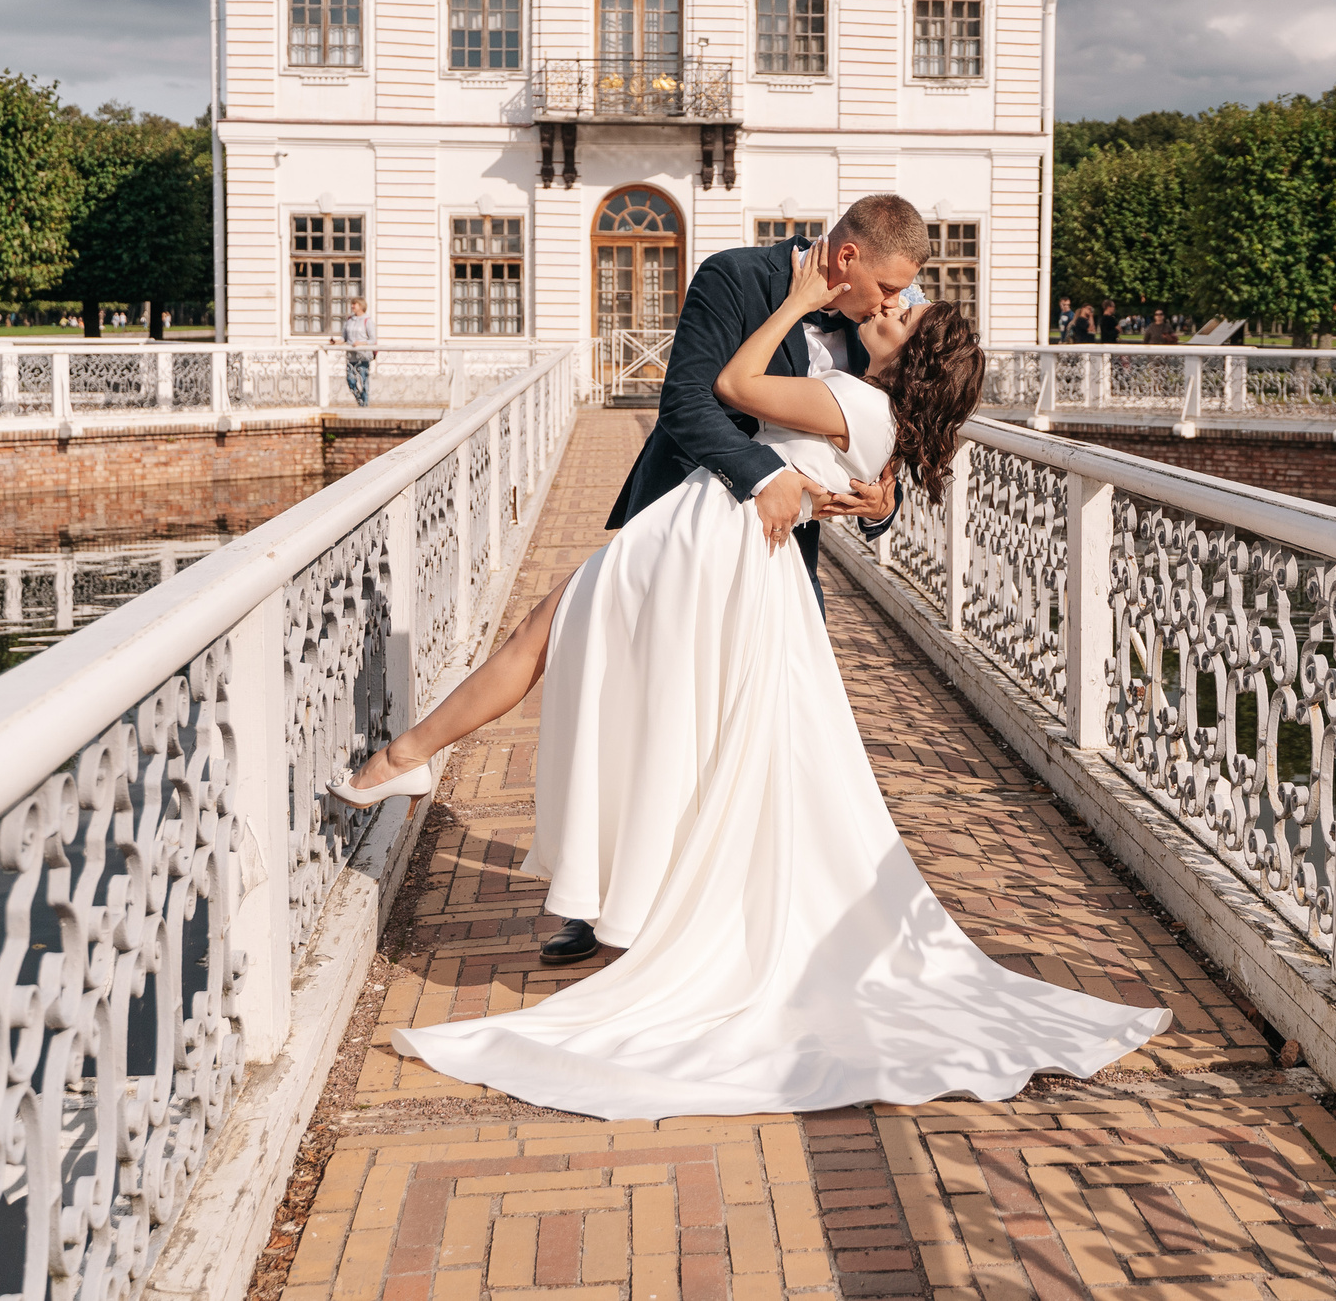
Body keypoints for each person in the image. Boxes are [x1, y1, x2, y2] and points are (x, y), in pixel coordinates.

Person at [329, 236, 1168, 1119]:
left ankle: (423, 770)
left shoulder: (855, 382)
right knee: (652, 706)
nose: (893, 304)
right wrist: (824, 474)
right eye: (893, 291)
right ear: (852, 253)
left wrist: (812, 351)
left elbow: (742, 391)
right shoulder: (755, 290)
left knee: (618, 688)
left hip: (716, 546)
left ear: (908, 357)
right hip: (716, 534)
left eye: (904, 310)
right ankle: (562, 860)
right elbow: (692, 402)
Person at [338, 296, 375, 406]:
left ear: (361, 306)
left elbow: (373, 340)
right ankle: (360, 401)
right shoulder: (349, 320)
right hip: (351, 356)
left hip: (363, 355)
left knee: (363, 380)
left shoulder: (367, 321)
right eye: (352, 304)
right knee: (350, 380)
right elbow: (344, 337)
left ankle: (365, 404)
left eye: (355, 304)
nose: (352, 306)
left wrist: (361, 343)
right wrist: (336, 342)